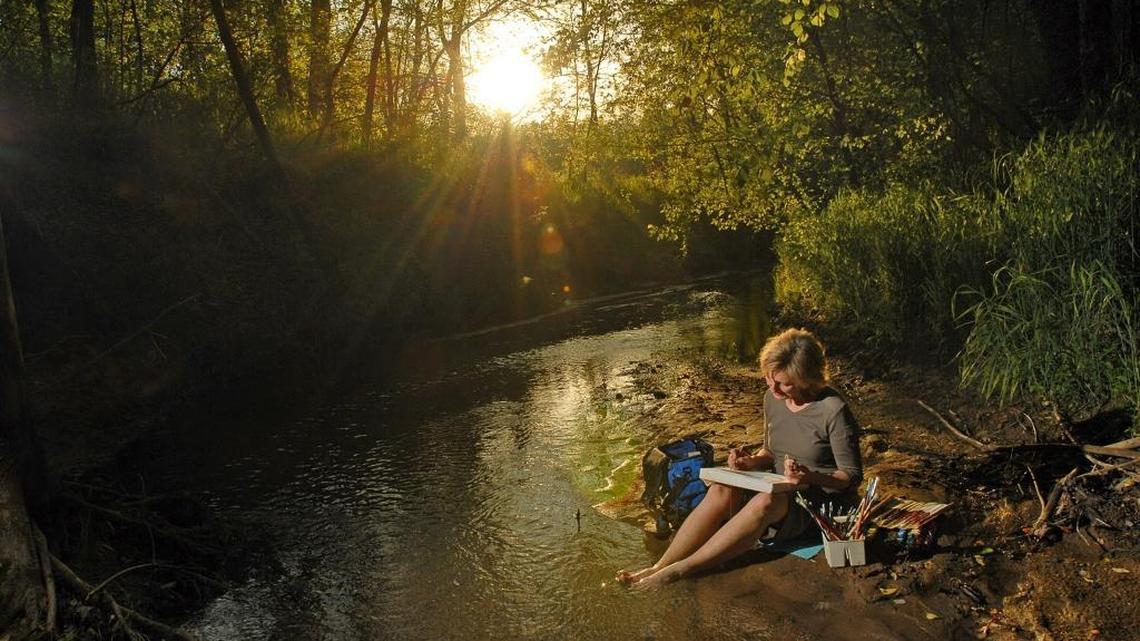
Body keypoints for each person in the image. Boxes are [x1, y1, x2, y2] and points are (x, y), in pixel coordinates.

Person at [617, 328, 863, 589]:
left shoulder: (833, 409)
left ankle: (681, 570)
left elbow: (851, 477)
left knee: (767, 501)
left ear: (807, 378)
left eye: (783, 382)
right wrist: (750, 462)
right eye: (770, 378)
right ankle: (660, 566)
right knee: (723, 486)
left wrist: (808, 476)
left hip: (820, 506)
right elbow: (771, 453)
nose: (773, 387)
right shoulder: (773, 398)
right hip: (781, 489)